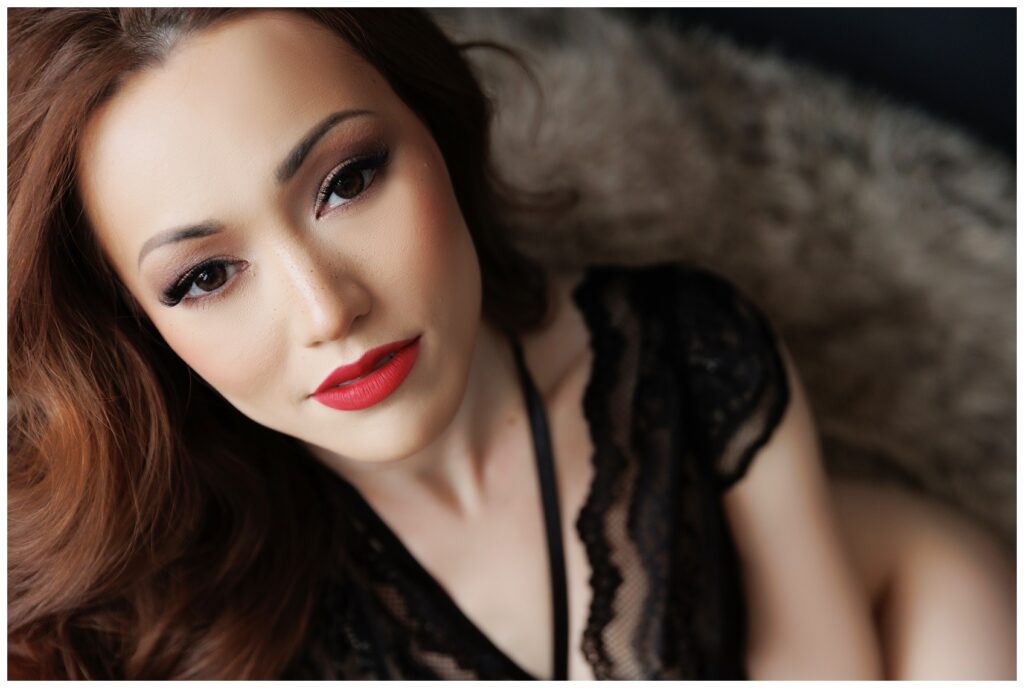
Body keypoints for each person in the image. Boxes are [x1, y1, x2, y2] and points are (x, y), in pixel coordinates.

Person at [7, 8, 1014, 680]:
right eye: (204, 277)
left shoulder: (685, 354)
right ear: (137, 329)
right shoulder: (150, 599)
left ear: (438, 129)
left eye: (346, 182)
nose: (326, 310)